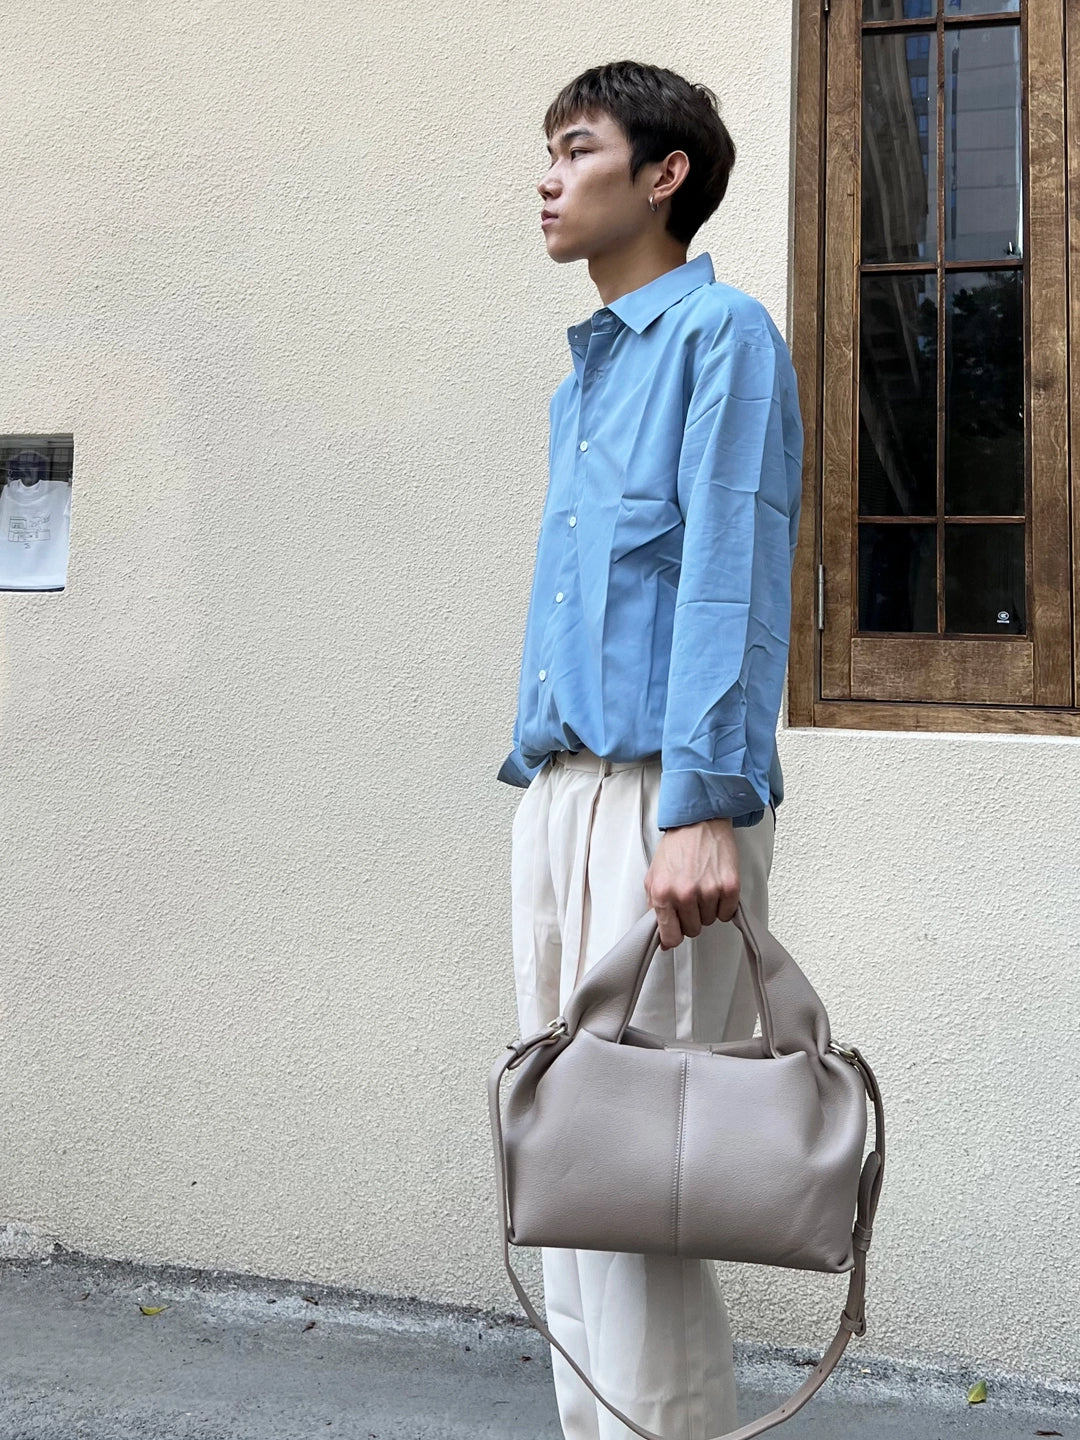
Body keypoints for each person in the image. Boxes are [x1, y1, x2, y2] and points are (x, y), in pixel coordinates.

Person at [497, 60, 804, 1440]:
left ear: (664, 173)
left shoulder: (721, 336)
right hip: (563, 798)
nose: (548, 178)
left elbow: (732, 575)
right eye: (549, 152)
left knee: (641, 1180)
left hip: (661, 807)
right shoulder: (585, 383)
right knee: (567, 1167)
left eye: (578, 149)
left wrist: (702, 805)